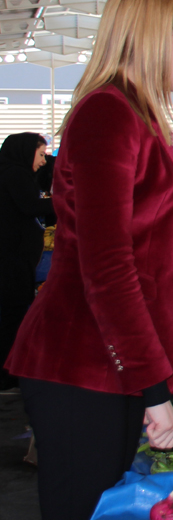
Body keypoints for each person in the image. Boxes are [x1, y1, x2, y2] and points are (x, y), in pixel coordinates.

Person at [4, 0, 173, 520]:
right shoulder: (107, 115)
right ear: (155, 37)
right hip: (81, 366)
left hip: (108, 367)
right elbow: (108, 266)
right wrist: (153, 387)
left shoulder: (134, 116)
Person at [0, 133, 53, 391]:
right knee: (14, 313)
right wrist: (68, 202)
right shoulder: (14, 174)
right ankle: (10, 372)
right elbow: (31, 206)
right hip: (11, 261)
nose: (44, 161)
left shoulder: (10, 172)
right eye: (41, 154)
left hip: (13, 258)